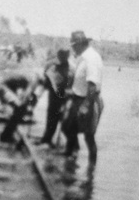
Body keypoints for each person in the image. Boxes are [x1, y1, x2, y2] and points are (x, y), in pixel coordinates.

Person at [62, 30, 104, 166]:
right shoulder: (84, 56)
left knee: (89, 136)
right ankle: (73, 155)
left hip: (87, 100)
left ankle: (91, 170)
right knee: (68, 127)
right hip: (79, 98)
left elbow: (92, 84)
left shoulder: (90, 58)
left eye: (73, 45)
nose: (73, 48)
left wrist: (86, 105)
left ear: (79, 44)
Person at [0, 71, 44, 143]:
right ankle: (5, 136)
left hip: (2, 86)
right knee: (20, 108)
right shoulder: (35, 79)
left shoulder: (31, 77)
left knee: (19, 109)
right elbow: (27, 95)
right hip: (1, 86)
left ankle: (6, 134)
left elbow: (24, 94)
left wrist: (32, 100)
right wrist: (30, 104)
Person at [37, 49, 71, 147]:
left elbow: (71, 84)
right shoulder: (50, 65)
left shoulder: (71, 68)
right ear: (58, 54)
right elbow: (45, 80)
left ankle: (71, 145)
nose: (63, 57)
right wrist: (39, 94)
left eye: (65, 55)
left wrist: (67, 100)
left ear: (68, 55)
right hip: (53, 94)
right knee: (51, 117)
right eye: (61, 55)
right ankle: (47, 139)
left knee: (64, 119)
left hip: (64, 95)